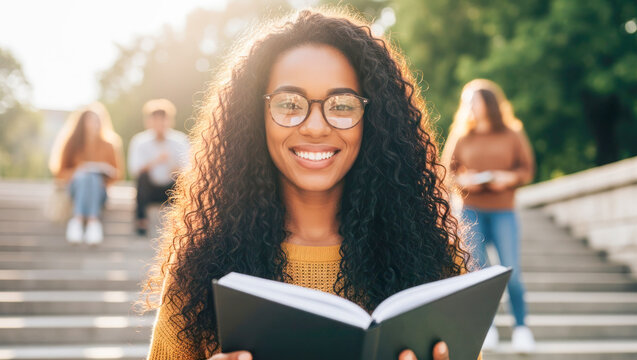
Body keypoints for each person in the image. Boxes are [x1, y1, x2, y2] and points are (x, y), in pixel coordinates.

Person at [144, 9, 482, 360]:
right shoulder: (201, 269)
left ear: (375, 120)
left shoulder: (434, 263)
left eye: (342, 105)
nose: (316, 127)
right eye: (289, 103)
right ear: (253, 117)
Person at [441, 79, 536, 353]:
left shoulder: (512, 133)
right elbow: (447, 174)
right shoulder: (461, 136)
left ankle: (521, 327)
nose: (470, 105)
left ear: (489, 103)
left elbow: (526, 170)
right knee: (478, 274)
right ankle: (487, 328)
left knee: (512, 272)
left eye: (475, 100)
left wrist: (508, 178)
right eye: (467, 101)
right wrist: (464, 181)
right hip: (470, 211)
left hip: (503, 210)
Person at [49, 102, 124, 244]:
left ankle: (79, 221)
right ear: (81, 122)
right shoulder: (71, 143)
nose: (93, 124)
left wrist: (103, 171)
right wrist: (78, 170)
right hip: (75, 190)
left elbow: (118, 175)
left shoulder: (110, 144)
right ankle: (92, 221)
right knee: (86, 176)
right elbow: (59, 174)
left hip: (100, 192)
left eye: (96, 120)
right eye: (90, 120)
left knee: (93, 178)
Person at [128, 99, 190, 236]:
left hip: (172, 187)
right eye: (155, 120)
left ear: (169, 121)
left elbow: (188, 168)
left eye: (163, 120)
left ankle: (181, 220)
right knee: (142, 178)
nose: (159, 124)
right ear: (149, 122)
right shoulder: (140, 141)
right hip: (149, 188)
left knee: (182, 179)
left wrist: (174, 167)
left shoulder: (180, 140)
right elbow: (135, 170)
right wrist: (156, 161)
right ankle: (141, 221)